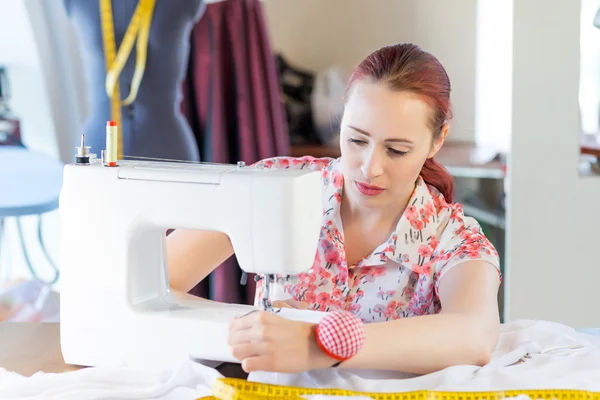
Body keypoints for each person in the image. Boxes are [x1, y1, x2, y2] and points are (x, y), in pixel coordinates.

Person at [167, 43, 502, 376]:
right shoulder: (277, 186)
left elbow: (474, 334)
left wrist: (322, 344)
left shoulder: (455, 239)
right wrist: (248, 333)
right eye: (356, 140)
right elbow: (150, 282)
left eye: (397, 150)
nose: (370, 168)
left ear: (438, 139)